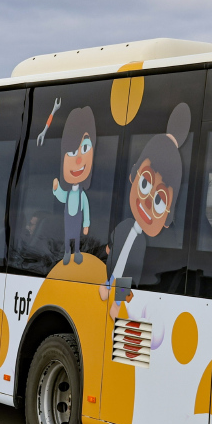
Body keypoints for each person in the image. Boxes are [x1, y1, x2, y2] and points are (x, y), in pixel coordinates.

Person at [107, 103, 190, 304]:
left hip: (118, 298)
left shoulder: (141, 243)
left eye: (160, 201)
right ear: (133, 176)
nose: (147, 202)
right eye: (145, 183)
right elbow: (111, 249)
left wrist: (117, 303)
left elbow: (131, 276)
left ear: (168, 218)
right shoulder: (124, 226)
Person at [52, 107, 97, 264]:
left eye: (84, 148)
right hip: (68, 217)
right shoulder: (69, 192)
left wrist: (86, 225)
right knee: (67, 235)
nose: (78, 160)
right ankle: (66, 253)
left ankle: (77, 251)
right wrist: (56, 189)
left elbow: (87, 209)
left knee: (76, 235)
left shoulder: (81, 194)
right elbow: (62, 197)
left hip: (77, 217)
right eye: (71, 153)